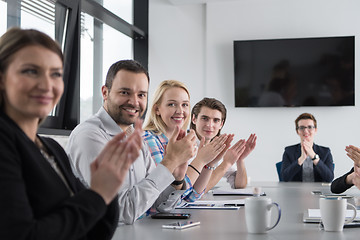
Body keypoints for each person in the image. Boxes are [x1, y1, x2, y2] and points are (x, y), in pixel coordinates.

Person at [0, 28, 142, 240]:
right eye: (31, 71)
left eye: (56, 74)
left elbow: (91, 231)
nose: (47, 85)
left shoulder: (52, 148)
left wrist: (108, 189)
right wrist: (98, 194)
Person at [66, 60, 197, 224]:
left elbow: (157, 205)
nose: (134, 102)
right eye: (125, 92)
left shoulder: (133, 136)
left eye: (141, 95)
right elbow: (122, 212)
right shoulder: (89, 137)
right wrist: (170, 162)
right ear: (105, 92)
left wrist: (176, 179)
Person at [143, 80, 226, 201]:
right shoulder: (148, 140)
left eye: (185, 105)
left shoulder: (181, 141)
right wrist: (200, 160)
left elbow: (191, 196)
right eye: (172, 104)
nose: (180, 111)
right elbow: (166, 198)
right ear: (157, 109)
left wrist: (209, 164)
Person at [190, 97, 257, 190]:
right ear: (194, 119)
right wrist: (226, 163)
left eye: (216, 120)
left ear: (221, 124)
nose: (210, 125)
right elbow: (195, 190)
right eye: (205, 118)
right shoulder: (185, 145)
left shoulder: (217, 146)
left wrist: (240, 160)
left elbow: (239, 185)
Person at [281, 113, 334, 182]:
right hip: (295, 191)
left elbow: (329, 178)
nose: (306, 131)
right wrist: (301, 159)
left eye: (310, 127)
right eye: (302, 127)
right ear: (297, 131)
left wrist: (313, 156)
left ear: (315, 130)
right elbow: (284, 178)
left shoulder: (325, 152)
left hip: (319, 191)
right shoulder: (289, 151)